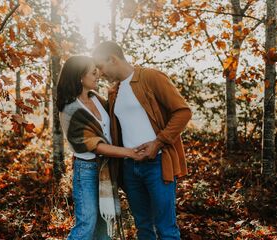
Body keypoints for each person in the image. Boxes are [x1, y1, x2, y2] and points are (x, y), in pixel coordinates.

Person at [92, 41, 192, 240]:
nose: (101, 74)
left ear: (112, 59)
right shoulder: (114, 92)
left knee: (166, 229)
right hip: (130, 169)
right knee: (143, 228)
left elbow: (183, 112)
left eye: (101, 67)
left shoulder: (150, 77)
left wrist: (158, 143)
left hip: (157, 164)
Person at [56, 55, 144, 240]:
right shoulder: (70, 109)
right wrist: (129, 152)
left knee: (103, 227)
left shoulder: (95, 98)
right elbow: (95, 145)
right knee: (86, 224)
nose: (98, 75)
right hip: (86, 171)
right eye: (93, 72)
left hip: (106, 169)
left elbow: (114, 117)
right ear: (80, 77)